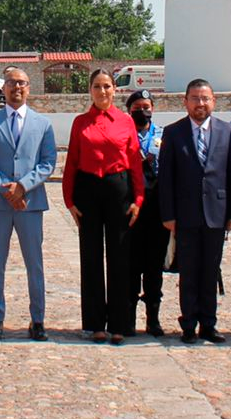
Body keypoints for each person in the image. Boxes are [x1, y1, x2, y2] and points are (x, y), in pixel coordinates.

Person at [157, 78, 231, 344]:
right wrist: (168, 214)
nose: (200, 103)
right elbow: (166, 178)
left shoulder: (227, 131)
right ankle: (188, 323)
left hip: (217, 214)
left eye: (205, 98)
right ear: (185, 101)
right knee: (189, 272)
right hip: (185, 214)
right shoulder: (173, 133)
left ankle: (209, 323)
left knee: (210, 271)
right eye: (195, 98)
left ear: (213, 101)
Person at [61, 68, 144, 344]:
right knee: (91, 256)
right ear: (90, 90)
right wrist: (69, 200)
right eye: (97, 86)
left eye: (107, 86)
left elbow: (134, 161)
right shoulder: (80, 122)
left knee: (120, 257)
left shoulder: (125, 121)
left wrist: (138, 199)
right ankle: (95, 322)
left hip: (118, 189)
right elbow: (72, 160)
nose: (103, 91)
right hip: (88, 190)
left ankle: (119, 323)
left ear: (114, 90)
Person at [0, 67, 54, 342]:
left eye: (21, 83)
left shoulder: (42, 124)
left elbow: (48, 163)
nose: (16, 88)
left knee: (35, 263)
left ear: (29, 88)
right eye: (11, 83)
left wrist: (22, 186)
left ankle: (38, 319)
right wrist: (7, 188)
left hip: (31, 203)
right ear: (4, 88)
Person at [126, 88, 170, 337]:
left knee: (154, 267)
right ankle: (129, 317)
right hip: (131, 208)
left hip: (157, 208)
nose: (142, 111)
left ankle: (153, 318)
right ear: (129, 110)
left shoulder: (164, 135)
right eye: (137, 108)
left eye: (146, 106)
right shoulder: (124, 134)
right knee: (131, 267)